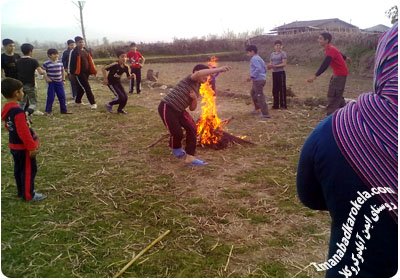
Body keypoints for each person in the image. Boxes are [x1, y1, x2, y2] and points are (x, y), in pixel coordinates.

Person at [297, 23, 398, 278]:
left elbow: (309, 196)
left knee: (333, 102)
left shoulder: (329, 133)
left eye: (320, 37)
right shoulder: (333, 49)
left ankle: (336, 110)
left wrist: (317, 77)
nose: (319, 40)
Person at [158, 64, 231, 166]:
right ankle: (176, 148)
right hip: (168, 107)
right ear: (196, 73)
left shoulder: (198, 88)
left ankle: (190, 158)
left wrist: (194, 98)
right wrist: (219, 69)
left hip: (180, 110)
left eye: (207, 76)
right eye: (205, 74)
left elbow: (192, 108)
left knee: (192, 128)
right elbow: (199, 73)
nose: (206, 77)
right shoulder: (189, 79)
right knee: (177, 133)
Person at [1, 78, 47, 202]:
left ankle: (21, 191)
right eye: (21, 91)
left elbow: (8, 125)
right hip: (23, 148)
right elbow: (24, 132)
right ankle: (28, 195)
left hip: (14, 146)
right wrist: (31, 147)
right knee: (28, 170)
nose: (23, 93)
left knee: (19, 169)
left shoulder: (7, 109)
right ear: (16, 93)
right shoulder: (18, 112)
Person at [307, 32, 350, 115]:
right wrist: (346, 58)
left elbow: (325, 64)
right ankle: (345, 112)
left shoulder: (330, 50)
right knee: (338, 94)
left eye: (320, 39)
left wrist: (315, 76)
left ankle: (330, 115)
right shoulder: (330, 48)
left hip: (340, 74)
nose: (318, 40)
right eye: (318, 38)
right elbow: (339, 53)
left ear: (326, 40)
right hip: (338, 74)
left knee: (333, 95)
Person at [15, 43, 47, 116]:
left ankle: (19, 114)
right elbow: (40, 72)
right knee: (33, 102)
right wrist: (45, 71)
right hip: (30, 85)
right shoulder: (33, 61)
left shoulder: (18, 61)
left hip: (20, 85)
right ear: (30, 51)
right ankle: (28, 113)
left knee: (22, 102)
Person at [68, 36, 97, 109]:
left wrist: (92, 70)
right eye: (80, 42)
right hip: (79, 73)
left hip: (86, 72)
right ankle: (93, 103)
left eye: (83, 42)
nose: (82, 43)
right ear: (76, 43)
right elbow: (70, 63)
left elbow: (90, 60)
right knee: (87, 87)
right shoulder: (74, 51)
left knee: (81, 88)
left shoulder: (86, 50)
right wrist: (70, 73)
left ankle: (78, 101)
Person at [42, 48, 71, 115]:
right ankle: (48, 111)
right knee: (51, 97)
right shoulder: (46, 63)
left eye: (57, 54)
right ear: (49, 55)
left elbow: (62, 71)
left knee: (62, 96)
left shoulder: (60, 62)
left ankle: (64, 110)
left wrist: (63, 79)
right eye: (54, 54)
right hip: (51, 82)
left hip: (59, 82)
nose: (56, 55)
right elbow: (43, 72)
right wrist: (46, 78)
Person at [246, 45, 270, 118]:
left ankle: (265, 113)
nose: (248, 54)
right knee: (253, 93)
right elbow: (265, 68)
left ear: (252, 51)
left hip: (258, 80)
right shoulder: (259, 58)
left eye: (248, 52)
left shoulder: (254, 59)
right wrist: (263, 75)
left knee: (260, 95)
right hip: (261, 79)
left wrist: (251, 76)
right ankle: (257, 108)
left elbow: (258, 68)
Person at [268, 40, 287, 109]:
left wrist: (275, 66)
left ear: (281, 46)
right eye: (276, 45)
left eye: (279, 45)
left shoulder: (283, 53)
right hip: (274, 73)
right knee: (275, 89)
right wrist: (269, 66)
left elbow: (284, 63)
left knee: (282, 89)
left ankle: (283, 105)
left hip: (281, 73)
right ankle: (275, 105)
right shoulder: (272, 54)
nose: (278, 47)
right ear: (274, 46)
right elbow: (270, 63)